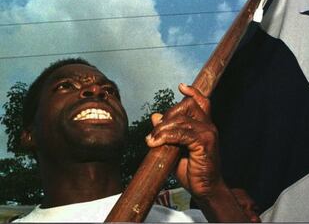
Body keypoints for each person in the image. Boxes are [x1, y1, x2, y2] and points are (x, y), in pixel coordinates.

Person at [12, 58, 253, 222]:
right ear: (29, 134)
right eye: (66, 86)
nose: (97, 91)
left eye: (110, 90)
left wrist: (214, 193)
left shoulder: (197, 219)